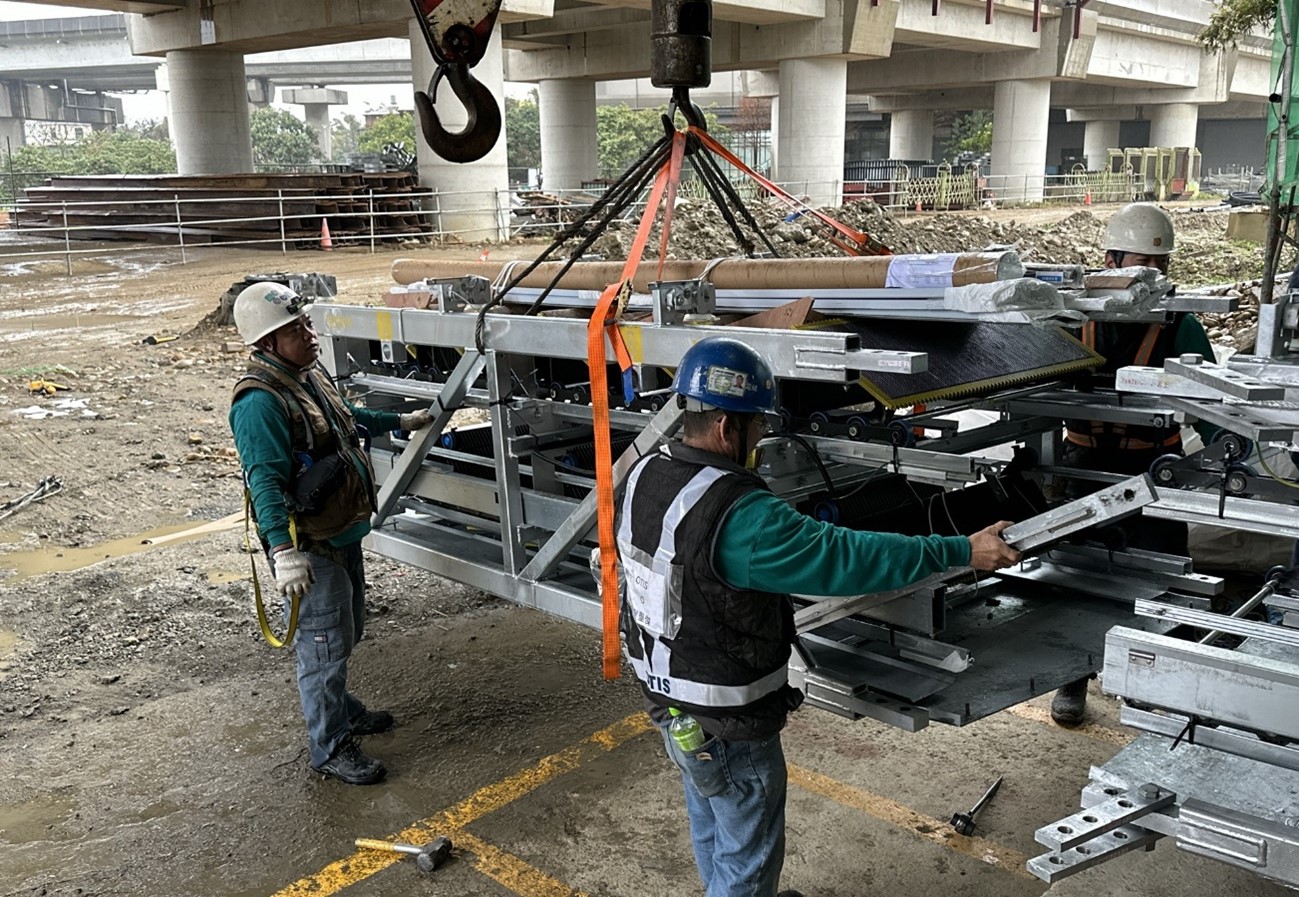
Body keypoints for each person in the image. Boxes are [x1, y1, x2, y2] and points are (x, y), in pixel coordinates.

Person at [616, 337, 1021, 897]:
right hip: (728, 716)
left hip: (671, 700)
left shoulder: (643, 474)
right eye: (758, 427)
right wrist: (960, 551)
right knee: (748, 859)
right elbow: (847, 558)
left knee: (714, 820)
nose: (761, 439)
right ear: (729, 428)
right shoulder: (738, 515)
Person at [228, 282, 431, 785]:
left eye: (307, 324)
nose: (310, 334)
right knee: (321, 649)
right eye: (295, 330)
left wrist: (397, 420)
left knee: (348, 629)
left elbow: (344, 423)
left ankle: (341, 711)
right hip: (311, 543)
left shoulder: (304, 375)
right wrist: (282, 552)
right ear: (267, 343)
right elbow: (265, 481)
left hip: (340, 529)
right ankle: (331, 746)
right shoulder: (260, 402)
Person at [1049, 202, 1216, 726]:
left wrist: (1235, 464)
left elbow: (1215, 403)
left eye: (1157, 267)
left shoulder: (1179, 324)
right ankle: (1071, 675)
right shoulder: (1075, 318)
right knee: (1073, 571)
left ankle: (1162, 690)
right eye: (1136, 263)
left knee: (1163, 577)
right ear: (1108, 259)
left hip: (1154, 470)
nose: (1146, 277)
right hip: (1081, 463)